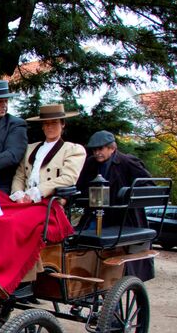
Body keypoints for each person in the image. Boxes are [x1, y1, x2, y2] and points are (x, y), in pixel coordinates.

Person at [76, 130, 155, 281]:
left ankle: (116, 286)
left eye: (101, 149)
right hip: (95, 214)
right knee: (82, 243)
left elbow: (148, 185)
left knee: (119, 256)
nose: (97, 153)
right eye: (94, 150)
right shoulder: (90, 163)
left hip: (124, 218)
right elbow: (81, 185)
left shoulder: (128, 162)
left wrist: (124, 195)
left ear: (112, 148)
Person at [10, 104, 86, 203]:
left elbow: (68, 178)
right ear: (42, 126)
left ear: (62, 124)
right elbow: (20, 176)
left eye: (54, 123)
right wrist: (18, 193)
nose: (50, 127)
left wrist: (39, 191)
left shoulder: (72, 150)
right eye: (46, 123)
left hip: (51, 201)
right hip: (24, 201)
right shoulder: (29, 148)